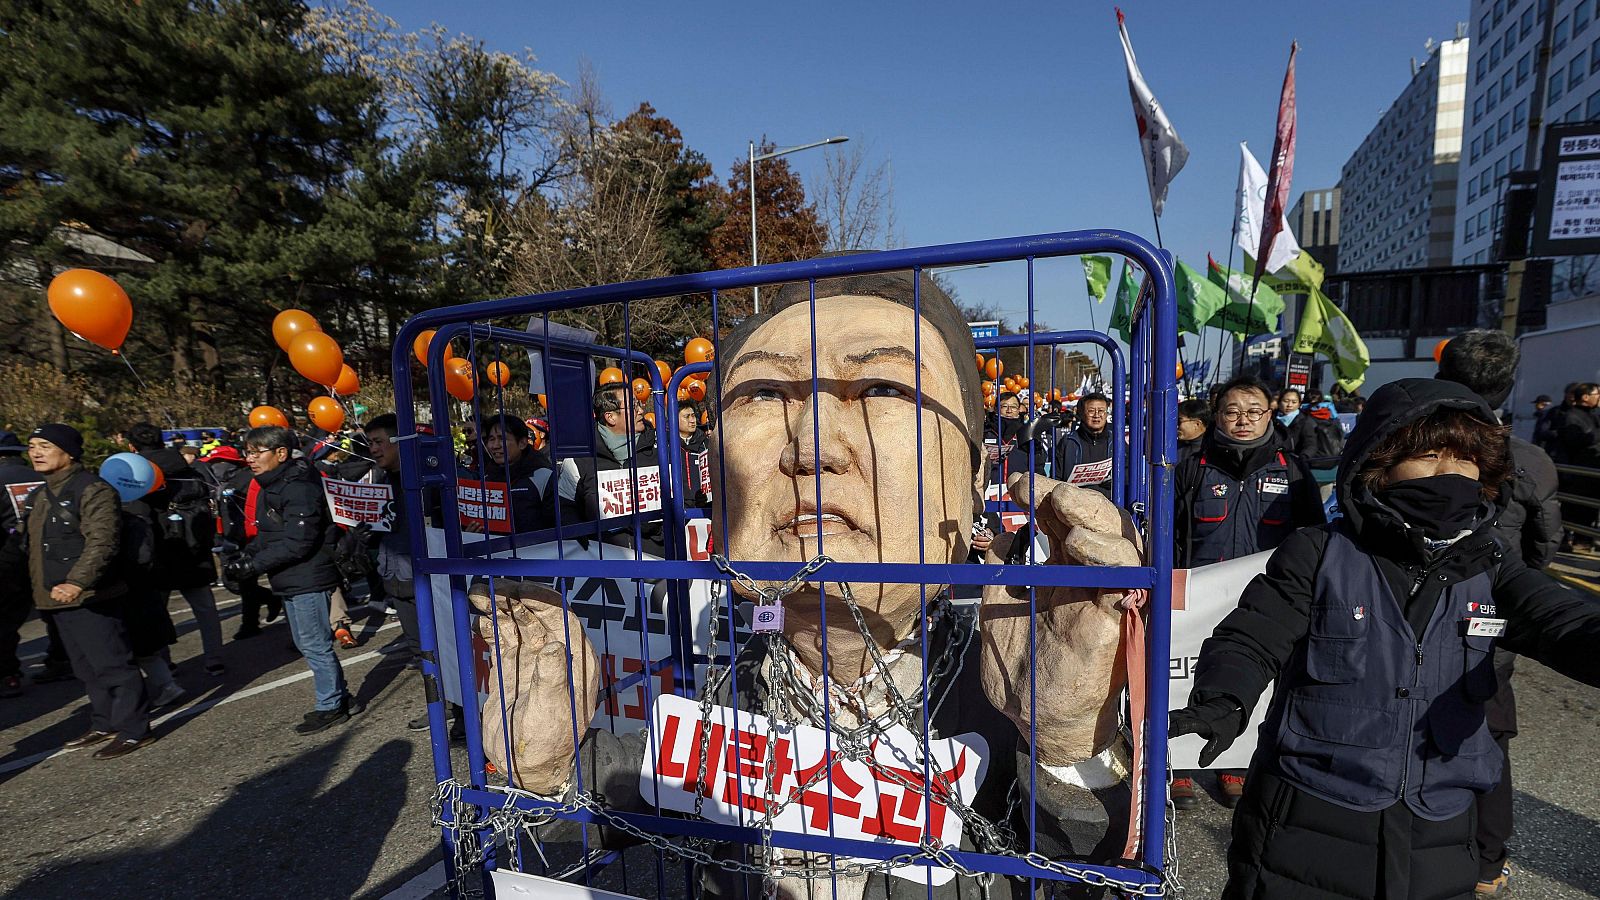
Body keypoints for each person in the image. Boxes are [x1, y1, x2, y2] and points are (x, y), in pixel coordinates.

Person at [471, 269, 1143, 896]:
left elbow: (1080, 869)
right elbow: (620, 794)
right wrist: (545, 769)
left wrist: (1068, 742)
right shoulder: (728, 692)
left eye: (882, 388)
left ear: (973, 486)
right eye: (764, 393)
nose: (812, 445)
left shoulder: (1003, 694)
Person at [1170, 378, 1600, 900]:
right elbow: (1251, 636)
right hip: (1305, 822)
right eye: (1429, 456)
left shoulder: (1491, 565)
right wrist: (1223, 700)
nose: (1449, 474)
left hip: (1440, 834)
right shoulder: (1318, 552)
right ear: (1379, 463)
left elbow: (1565, 622)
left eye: (1464, 460)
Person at [1435, 330, 1562, 895]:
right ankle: (1487, 864)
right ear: (1508, 385)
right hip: (1493, 623)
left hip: (1413, 611)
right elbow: (1544, 546)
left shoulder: (1411, 443)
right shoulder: (1529, 457)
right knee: (1489, 738)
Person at [22, 424, 151, 759]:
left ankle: (134, 729)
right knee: (85, 668)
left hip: (91, 595)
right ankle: (104, 721)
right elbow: (31, 547)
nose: (36, 452)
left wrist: (77, 581)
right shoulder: (39, 494)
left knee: (113, 664)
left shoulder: (92, 489)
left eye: (45, 446)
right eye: (33, 446)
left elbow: (102, 542)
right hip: (52, 597)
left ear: (69, 452)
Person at [223, 426, 351, 733]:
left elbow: (299, 541)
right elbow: (270, 535)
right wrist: (245, 557)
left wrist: (253, 565)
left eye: (257, 452)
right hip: (290, 576)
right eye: (248, 453)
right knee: (307, 643)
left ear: (281, 453)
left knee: (314, 645)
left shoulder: (299, 486)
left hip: (308, 576)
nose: (250, 459)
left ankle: (331, 705)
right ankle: (338, 698)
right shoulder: (273, 483)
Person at [127, 422, 224, 675]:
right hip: (194, 547)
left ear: (131, 446)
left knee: (156, 611)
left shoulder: (137, 474)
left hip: (158, 549)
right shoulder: (187, 469)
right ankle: (215, 657)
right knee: (205, 608)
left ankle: (165, 662)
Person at [558, 383, 665, 555]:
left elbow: (685, 501)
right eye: (633, 406)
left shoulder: (660, 450)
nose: (641, 411)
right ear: (610, 417)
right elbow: (562, 506)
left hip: (659, 561)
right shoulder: (580, 458)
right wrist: (581, 534)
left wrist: (657, 527)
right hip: (603, 565)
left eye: (639, 404)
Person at [1014, 392, 1114, 494]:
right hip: (1073, 502)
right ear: (1083, 414)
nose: (1096, 415)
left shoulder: (1115, 442)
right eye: (1091, 411)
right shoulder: (1068, 441)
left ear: (1106, 414)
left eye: (1101, 411)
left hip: (1109, 503)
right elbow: (1055, 477)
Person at [480, 417, 558, 533]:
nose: (495, 445)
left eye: (502, 438)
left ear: (522, 443)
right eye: (491, 439)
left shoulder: (544, 477)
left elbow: (559, 523)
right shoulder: (485, 479)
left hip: (536, 549)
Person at [675, 399, 712, 508]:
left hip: (705, 507)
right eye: (686, 417)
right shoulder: (666, 446)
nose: (692, 420)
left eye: (693, 416)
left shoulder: (706, 444)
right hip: (678, 508)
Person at [1177, 398, 1210, 463]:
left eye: (1179, 421)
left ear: (1197, 424)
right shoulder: (1174, 445)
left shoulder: (1208, 453)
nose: (1176, 426)